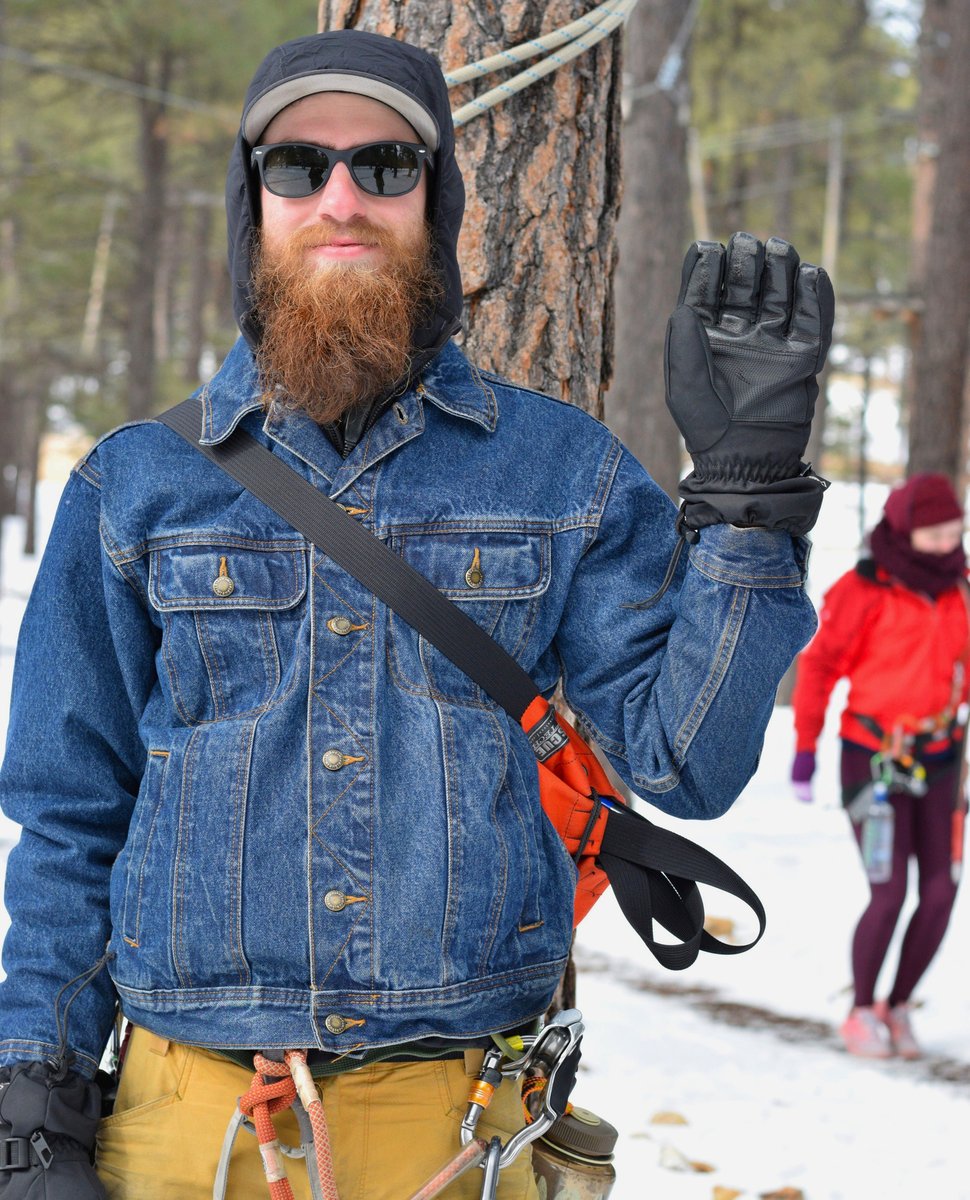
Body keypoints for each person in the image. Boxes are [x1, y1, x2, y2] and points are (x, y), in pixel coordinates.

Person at [0, 28, 832, 1200]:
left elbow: (683, 763)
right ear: (254, 203)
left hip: (459, 1132)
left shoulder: (561, 473)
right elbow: (71, 823)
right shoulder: (132, 486)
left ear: (433, 204)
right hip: (177, 1130)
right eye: (298, 166)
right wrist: (33, 1101)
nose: (341, 197)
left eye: (386, 166)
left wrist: (748, 499)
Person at [791, 473, 968, 1060]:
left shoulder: (961, 590)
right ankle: (861, 1011)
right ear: (907, 530)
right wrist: (806, 746)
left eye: (956, 531)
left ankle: (897, 1008)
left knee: (941, 892)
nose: (951, 542)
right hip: (874, 764)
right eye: (938, 533)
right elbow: (818, 669)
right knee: (889, 891)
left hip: (942, 761)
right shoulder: (863, 590)